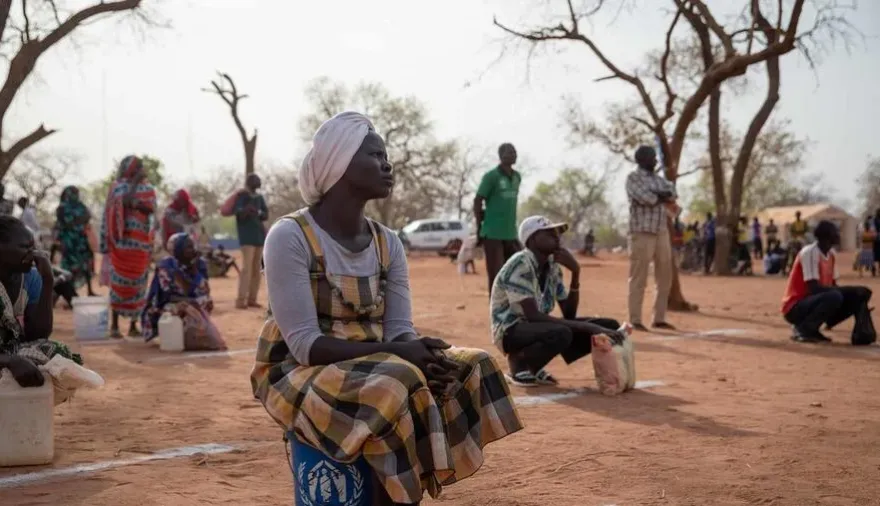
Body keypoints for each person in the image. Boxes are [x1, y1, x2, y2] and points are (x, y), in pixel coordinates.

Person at [253, 111, 523, 505]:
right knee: (397, 383)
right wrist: (401, 353)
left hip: (374, 359)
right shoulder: (289, 236)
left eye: (385, 156)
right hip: (299, 369)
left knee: (473, 365)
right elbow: (304, 346)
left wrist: (423, 357)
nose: (387, 164)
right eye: (374, 155)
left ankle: (394, 494)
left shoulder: (388, 242)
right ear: (340, 163)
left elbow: (399, 330)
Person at [491, 215, 626, 387]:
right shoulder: (521, 263)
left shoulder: (553, 266)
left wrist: (576, 273)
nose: (556, 237)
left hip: (536, 328)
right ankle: (519, 363)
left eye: (557, 233)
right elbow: (533, 316)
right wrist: (588, 326)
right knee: (563, 332)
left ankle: (534, 366)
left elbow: (569, 314)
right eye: (549, 233)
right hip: (510, 330)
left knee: (609, 326)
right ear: (532, 239)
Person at [0, 216, 82, 388]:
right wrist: (9, 361)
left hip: (6, 348)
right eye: (25, 247)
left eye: (34, 247)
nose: (35, 253)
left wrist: (47, 282)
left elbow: (38, 335)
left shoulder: (30, 278)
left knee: (54, 353)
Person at [782, 220, 872, 343]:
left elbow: (833, 286)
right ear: (827, 236)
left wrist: (855, 293)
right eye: (835, 232)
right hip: (795, 306)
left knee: (859, 294)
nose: (838, 235)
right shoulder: (810, 252)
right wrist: (848, 289)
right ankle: (803, 329)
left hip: (816, 300)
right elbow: (813, 288)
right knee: (835, 295)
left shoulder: (831, 254)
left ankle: (856, 332)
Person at [100, 155, 157, 338]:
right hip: (121, 245)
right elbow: (111, 210)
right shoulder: (118, 187)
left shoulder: (148, 188)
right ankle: (115, 326)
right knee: (118, 285)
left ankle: (133, 325)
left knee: (139, 286)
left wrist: (137, 204)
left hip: (140, 247)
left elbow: (152, 209)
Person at [142, 233, 226, 351]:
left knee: (205, 301)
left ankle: (192, 332)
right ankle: (179, 333)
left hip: (190, 303)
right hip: (163, 306)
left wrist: (194, 270)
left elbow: (204, 290)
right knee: (182, 307)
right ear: (177, 250)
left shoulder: (199, 264)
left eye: (193, 246)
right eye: (188, 247)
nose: (193, 250)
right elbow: (168, 296)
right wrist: (189, 301)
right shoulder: (166, 267)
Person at [625, 145, 676, 331]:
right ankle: (635, 319)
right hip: (641, 231)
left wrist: (661, 195)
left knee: (664, 276)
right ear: (642, 159)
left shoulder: (658, 179)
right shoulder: (633, 178)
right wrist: (661, 196)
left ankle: (659, 318)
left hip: (661, 231)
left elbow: (673, 192)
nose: (655, 160)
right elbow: (647, 198)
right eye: (652, 157)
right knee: (639, 277)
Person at [474, 143, 522, 293]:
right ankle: (495, 312)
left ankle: (512, 310)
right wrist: (479, 228)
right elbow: (478, 200)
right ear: (501, 156)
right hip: (493, 234)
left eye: (514, 152)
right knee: (496, 275)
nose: (513, 155)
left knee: (516, 273)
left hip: (511, 233)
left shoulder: (517, 177)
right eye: (509, 152)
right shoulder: (491, 177)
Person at [234, 173, 268, 309]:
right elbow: (238, 214)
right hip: (247, 238)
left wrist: (258, 212)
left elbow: (265, 214)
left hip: (259, 237)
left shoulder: (259, 198)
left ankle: (252, 299)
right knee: (246, 269)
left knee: (256, 270)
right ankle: (240, 300)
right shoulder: (242, 197)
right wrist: (247, 210)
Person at [56, 186, 97, 296]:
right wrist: (79, 221)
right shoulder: (63, 208)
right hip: (71, 243)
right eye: (74, 193)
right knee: (71, 268)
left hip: (79, 242)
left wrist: (75, 222)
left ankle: (89, 291)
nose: (76, 195)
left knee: (85, 266)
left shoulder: (74, 206)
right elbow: (64, 224)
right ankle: (70, 293)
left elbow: (87, 217)